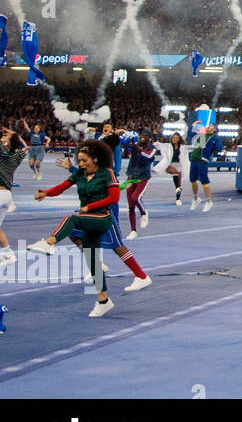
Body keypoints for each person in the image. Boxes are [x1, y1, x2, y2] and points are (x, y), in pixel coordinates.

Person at [28, 140, 153, 317]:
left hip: (102, 217)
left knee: (73, 220)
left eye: (84, 160)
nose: (81, 164)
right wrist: (46, 193)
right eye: (79, 160)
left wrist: (90, 206)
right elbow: (63, 187)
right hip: (88, 218)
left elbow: (114, 198)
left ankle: (48, 243)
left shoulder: (107, 173)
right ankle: (103, 301)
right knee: (92, 259)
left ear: (95, 159)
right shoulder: (80, 173)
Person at [122, 129, 160, 240]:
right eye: (142, 135)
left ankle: (144, 213)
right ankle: (133, 230)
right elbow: (124, 148)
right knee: (130, 205)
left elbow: (148, 157)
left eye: (146, 136)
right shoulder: (135, 145)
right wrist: (127, 139)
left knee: (136, 197)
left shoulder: (152, 148)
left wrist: (139, 150)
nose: (143, 137)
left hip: (143, 177)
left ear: (150, 138)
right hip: (131, 176)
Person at [0, 127, 26, 268]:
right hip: (7, 195)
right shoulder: (16, 156)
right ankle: (8, 253)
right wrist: (14, 135)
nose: (3, 138)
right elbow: (25, 146)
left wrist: (11, 135)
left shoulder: (3, 153)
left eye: (5, 137)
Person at [188, 125, 223, 211]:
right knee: (192, 180)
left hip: (202, 161)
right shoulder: (202, 135)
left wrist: (222, 150)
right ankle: (195, 198)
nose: (208, 127)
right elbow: (190, 133)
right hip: (194, 159)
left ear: (214, 129)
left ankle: (208, 201)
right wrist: (194, 124)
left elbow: (219, 148)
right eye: (208, 126)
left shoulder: (214, 138)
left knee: (204, 181)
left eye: (211, 126)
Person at [165, 132, 185, 204]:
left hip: (179, 165)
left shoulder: (182, 147)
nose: (175, 139)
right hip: (170, 164)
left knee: (178, 185)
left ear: (179, 139)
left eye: (177, 138)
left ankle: (178, 199)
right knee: (175, 172)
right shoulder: (168, 146)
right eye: (173, 137)